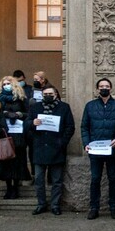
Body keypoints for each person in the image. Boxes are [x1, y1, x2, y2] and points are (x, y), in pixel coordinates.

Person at [80, 78, 115, 220]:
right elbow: (84, 127)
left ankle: (114, 207)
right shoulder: (90, 106)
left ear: (111, 88)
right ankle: (94, 207)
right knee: (95, 179)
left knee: (113, 178)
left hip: (112, 150)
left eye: (106, 86)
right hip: (95, 150)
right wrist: (86, 143)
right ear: (97, 89)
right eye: (101, 86)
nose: (104, 88)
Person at [30, 85, 76, 216]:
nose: (48, 96)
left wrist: (62, 142)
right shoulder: (35, 107)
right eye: (45, 94)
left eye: (50, 94)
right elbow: (27, 124)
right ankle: (41, 204)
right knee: (39, 179)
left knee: (57, 180)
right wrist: (33, 123)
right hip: (40, 147)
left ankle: (55, 204)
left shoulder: (64, 107)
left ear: (55, 94)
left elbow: (70, 127)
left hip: (57, 148)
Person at [0, 76, 31, 199]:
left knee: (17, 162)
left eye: (8, 83)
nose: (6, 85)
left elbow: (29, 114)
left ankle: (16, 187)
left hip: (18, 135)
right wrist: (4, 113)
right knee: (6, 162)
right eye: (4, 84)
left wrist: (19, 114)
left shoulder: (21, 99)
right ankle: (8, 187)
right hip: (5, 134)